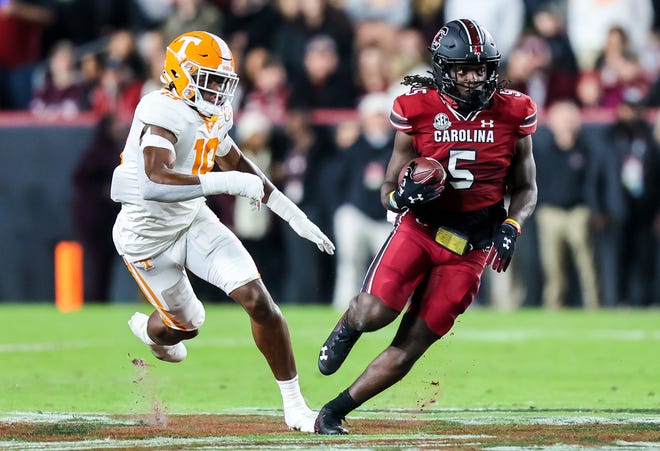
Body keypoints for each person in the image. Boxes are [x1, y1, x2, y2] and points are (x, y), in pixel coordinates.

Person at [313, 19, 538, 434]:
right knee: (374, 314)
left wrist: (512, 225)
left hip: (470, 250)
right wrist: (400, 198)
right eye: (463, 69)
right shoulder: (415, 107)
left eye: (482, 68)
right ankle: (349, 324)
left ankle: (334, 410)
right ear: (441, 69)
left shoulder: (515, 109)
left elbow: (526, 187)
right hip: (419, 230)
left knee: (410, 346)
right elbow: (387, 187)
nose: (475, 78)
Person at [110, 31, 335, 433]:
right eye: (209, 78)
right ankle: (150, 330)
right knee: (186, 326)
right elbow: (154, 182)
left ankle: (296, 406)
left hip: (193, 219)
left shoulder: (214, 113)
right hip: (147, 238)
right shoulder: (159, 108)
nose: (217, 89)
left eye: (221, 80)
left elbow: (237, 161)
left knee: (257, 300)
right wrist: (225, 184)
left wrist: (292, 215)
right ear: (181, 73)